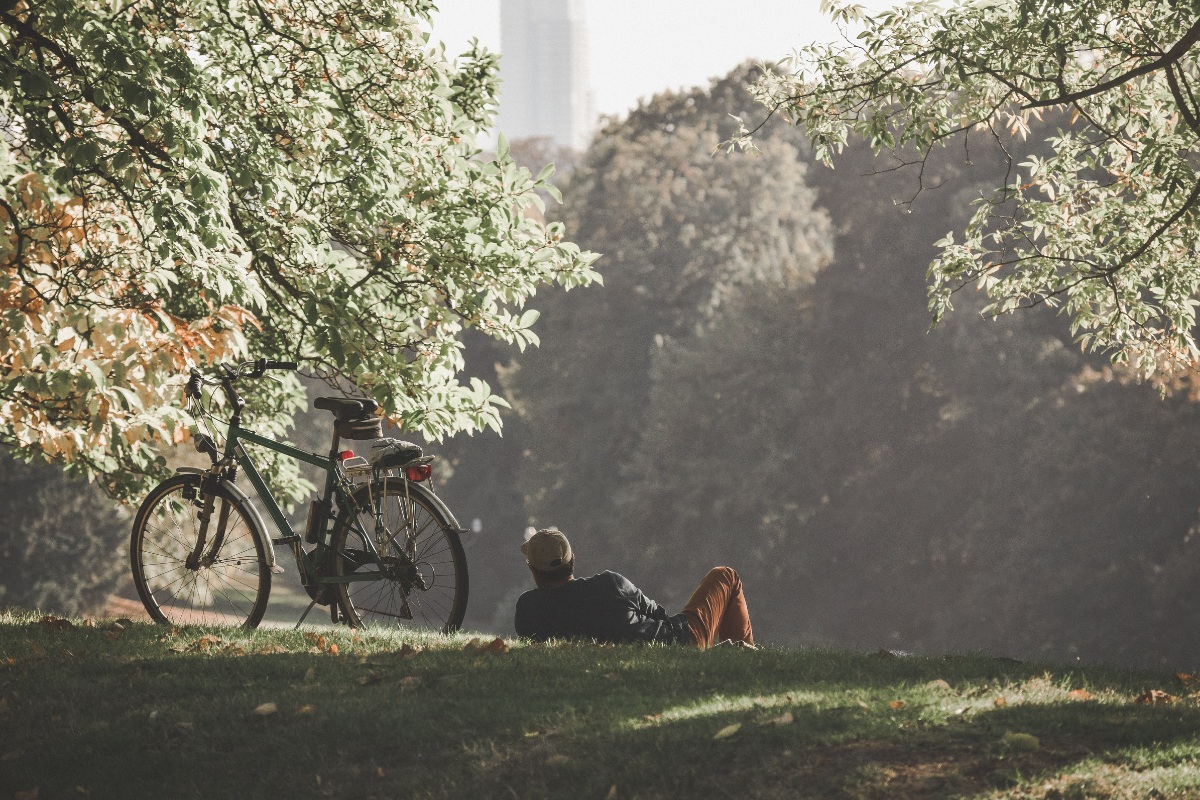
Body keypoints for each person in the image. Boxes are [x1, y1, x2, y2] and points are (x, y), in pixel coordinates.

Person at [513, 529, 755, 649]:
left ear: (533, 571)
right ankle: (748, 657)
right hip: (679, 641)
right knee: (725, 576)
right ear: (572, 560)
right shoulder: (611, 584)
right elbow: (659, 615)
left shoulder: (528, 609)